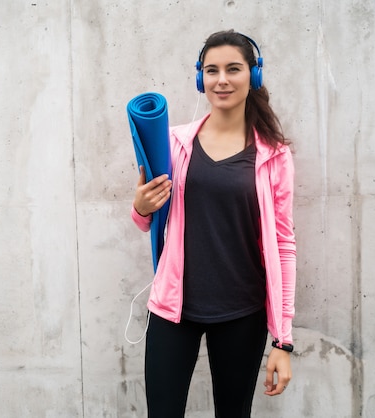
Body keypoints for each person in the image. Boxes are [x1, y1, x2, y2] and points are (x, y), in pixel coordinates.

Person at [130, 29, 296, 417]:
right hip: (174, 308)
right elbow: (146, 220)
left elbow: (284, 244)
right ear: (199, 78)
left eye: (233, 69)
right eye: (211, 70)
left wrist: (283, 341)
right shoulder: (173, 143)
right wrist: (140, 207)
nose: (221, 79)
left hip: (243, 310)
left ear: (254, 76)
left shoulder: (274, 155)